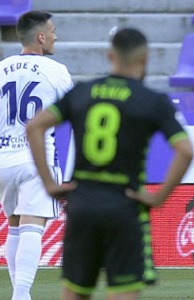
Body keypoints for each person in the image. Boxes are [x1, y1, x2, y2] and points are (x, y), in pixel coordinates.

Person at [26, 27, 194, 300]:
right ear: (145, 59)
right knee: (122, 292)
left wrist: (48, 183)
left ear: (110, 55)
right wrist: (158, 198)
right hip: (125, 206)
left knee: (75, 292)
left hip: (82, 205)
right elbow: (185, 151)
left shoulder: (83, 92)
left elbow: (34, 127)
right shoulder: (152, 101)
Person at [0, 10, 73, 300]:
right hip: (36, 159)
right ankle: (20, 295)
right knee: (32, 225)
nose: (56, 36)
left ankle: (20, 295)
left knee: (15, 226)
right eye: (53, 30)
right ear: (41, 37)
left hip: (3, 158)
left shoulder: (1, 67)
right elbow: (75, 111)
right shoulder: (56, 71)